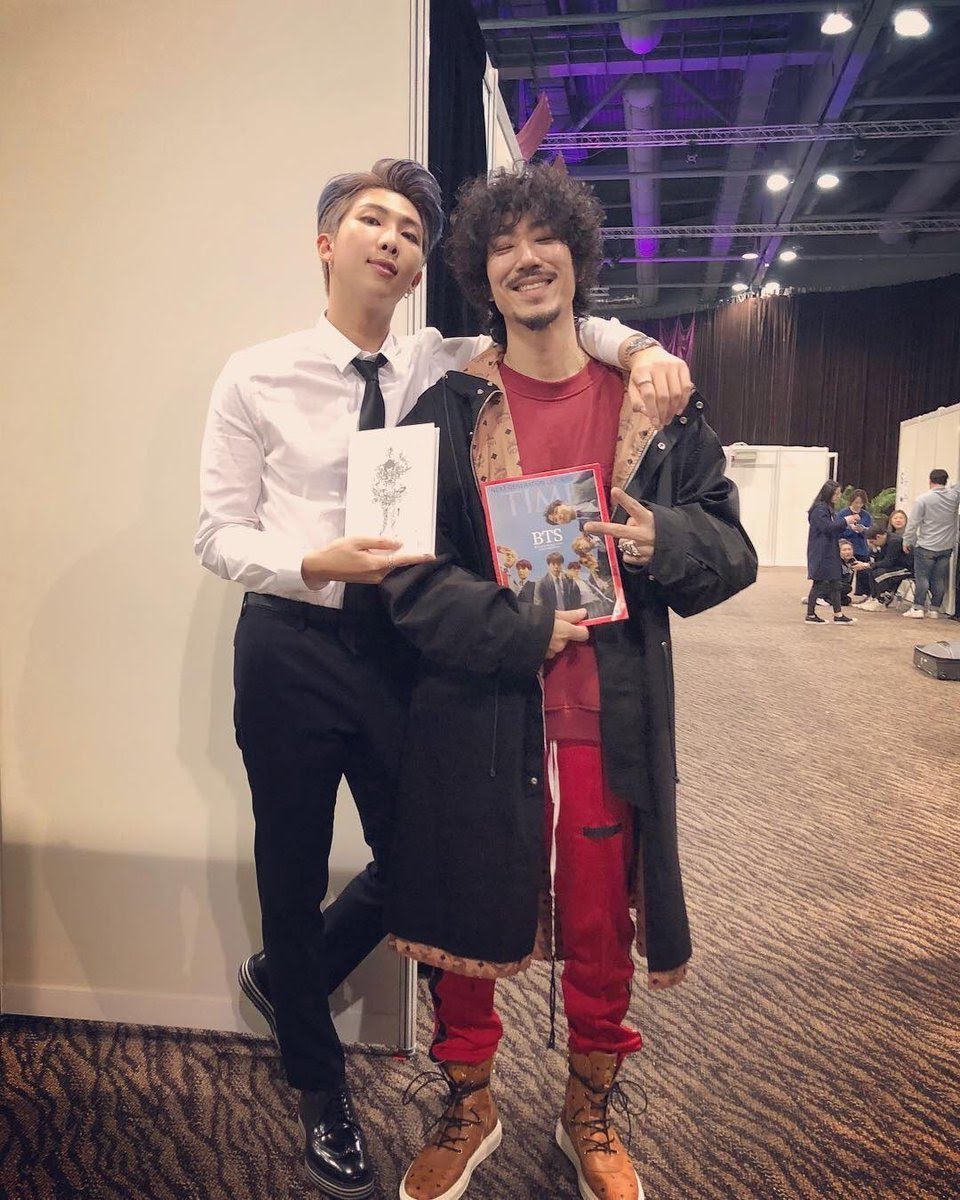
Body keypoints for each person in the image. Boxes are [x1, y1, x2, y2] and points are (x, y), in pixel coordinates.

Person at [194, 156, 694, 1198]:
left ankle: (303, 982)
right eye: (371, 221)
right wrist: (312, 561)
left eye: (411, 232)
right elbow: (217, 531)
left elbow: (561, 316)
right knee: (289, 867)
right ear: (326, 243)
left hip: (403, 652)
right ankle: (320, 1086)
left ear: (425, 267)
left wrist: (643, 346)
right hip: (293, 641)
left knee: (428, 860)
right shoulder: (256, 372)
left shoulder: (440, 361)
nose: (392, 239)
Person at [376, 164, 757, 1200]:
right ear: (481, 273)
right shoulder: (445, 409)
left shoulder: (655, 408)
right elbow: (407, 579)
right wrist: (518, 626)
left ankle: (589, 1105)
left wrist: (663, 536)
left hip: (608, 716)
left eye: (544, 238)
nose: (526, 258)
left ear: (577, 257)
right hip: (479, 711)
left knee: (599, 928)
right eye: (502, 245)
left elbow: (731, 550)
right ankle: (471, 1102)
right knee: (464, 916)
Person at [902, 469, 960, 619]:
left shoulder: (923, 499)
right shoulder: (954, 496)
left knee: (922, 578)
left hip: (926, 545)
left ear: (930, 480)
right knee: (939, 579)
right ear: (946, 481)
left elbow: (913, 523)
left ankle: (918, 607)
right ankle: (934, 609)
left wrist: (907, 540)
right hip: (946, 546)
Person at [805, 480, 862, 624]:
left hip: (830, 549)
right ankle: (810, 614)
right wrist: (846, 520)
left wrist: (848, 526)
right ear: (828, 493)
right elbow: (827, 527)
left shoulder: (828, 508)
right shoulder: (819, 510)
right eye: (836, 493)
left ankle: (838, 614)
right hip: (821, 551)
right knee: (819, 582)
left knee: (835, 581)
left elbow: (834, 527)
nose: (838, 496)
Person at [837, 489, 873, 563]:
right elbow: (837, 530)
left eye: (861, 503)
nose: (858, 505)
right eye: (856, 502)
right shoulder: (842, 514)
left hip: (861, 549)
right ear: (851, 501)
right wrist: (850, 529)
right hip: (845, 548)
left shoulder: (866, 516)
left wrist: (863, 530)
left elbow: (870, 533)